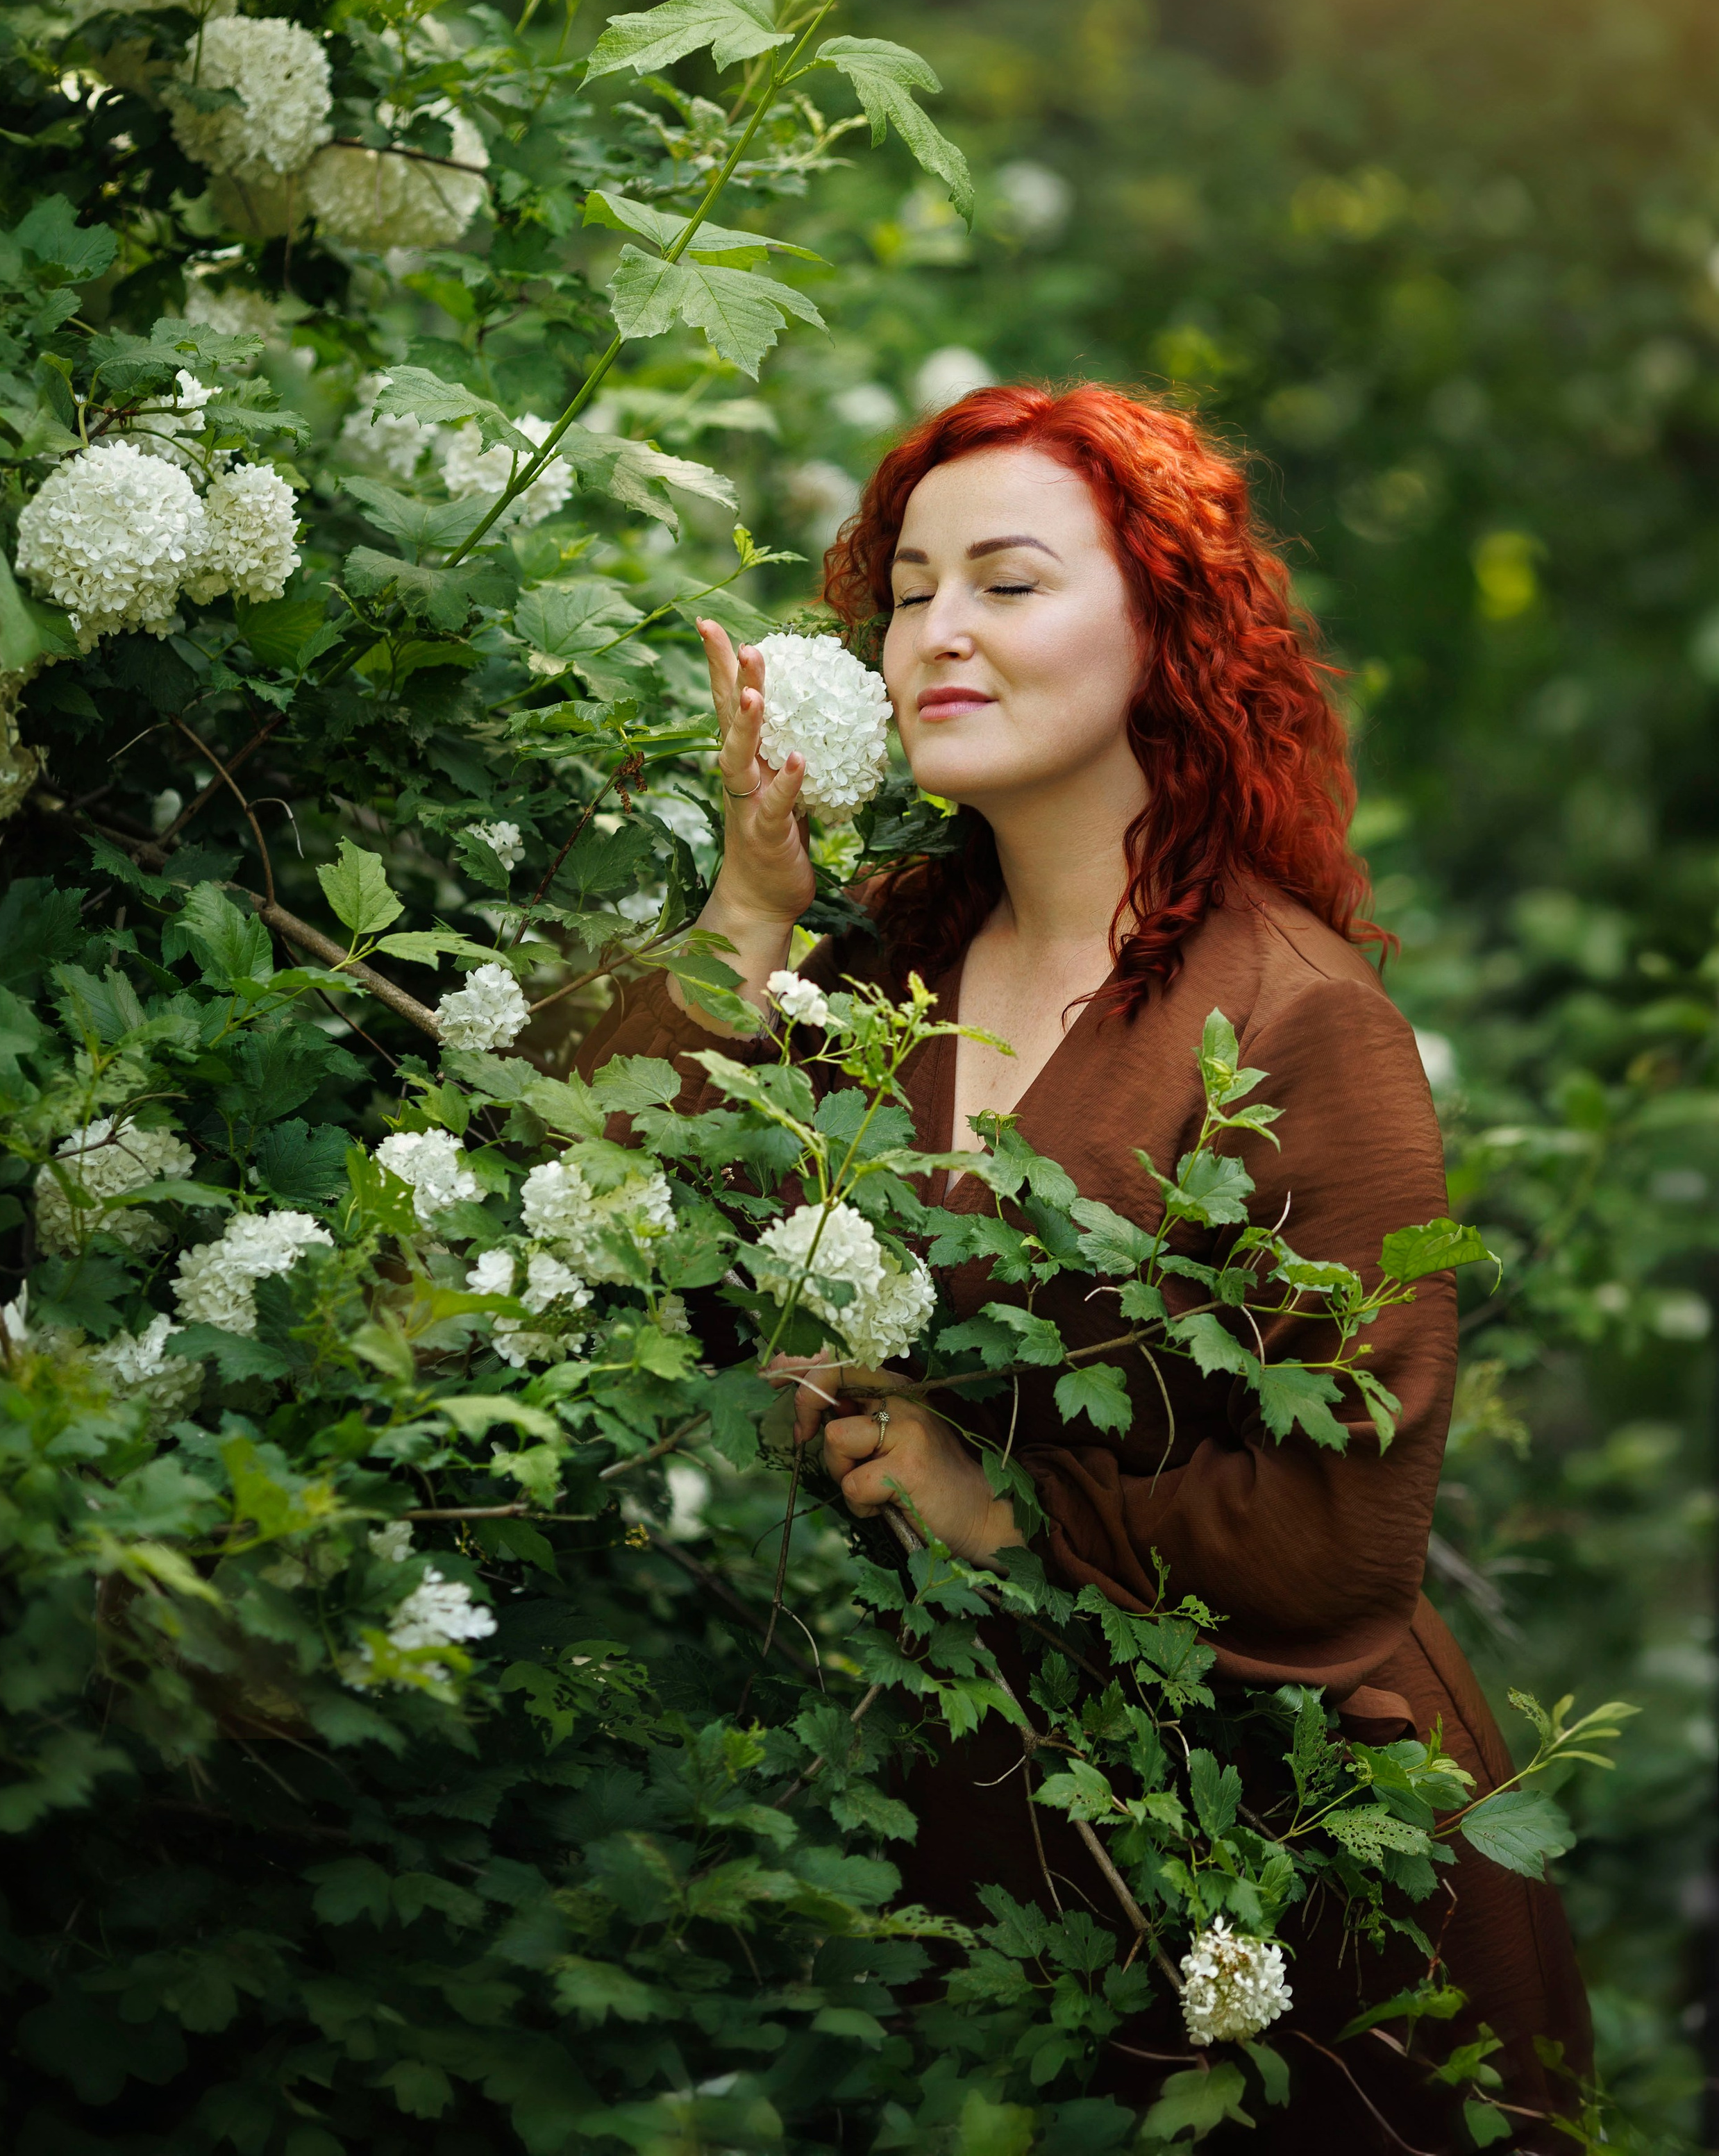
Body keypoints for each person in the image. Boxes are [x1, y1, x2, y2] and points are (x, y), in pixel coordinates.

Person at [573, 381, 1591, 2148]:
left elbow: (1340, 1526)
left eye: (1007, 580)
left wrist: (1000, 1509)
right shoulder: (884, 963)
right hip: (987, 1833)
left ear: (1164, 631)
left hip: (1286, 1882)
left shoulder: (1292, 1016)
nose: (937, 632)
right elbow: (584, 1175)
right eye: (906, 590)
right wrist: (746, 906)